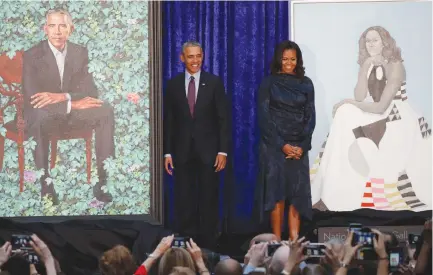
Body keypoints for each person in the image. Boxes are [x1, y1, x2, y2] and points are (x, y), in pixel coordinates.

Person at [310, 26, 432, 211]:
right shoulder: (369, 64)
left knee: (346, 111)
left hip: (397, 117)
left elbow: (382, 106)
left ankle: (337, 193)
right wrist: (366, 66)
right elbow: (360, 96)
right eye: (367, 41)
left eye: (375, 40)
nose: (371, 44)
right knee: (344, 114)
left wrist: (346, 101)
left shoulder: (395, 65)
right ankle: (332, 190)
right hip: (377, 113)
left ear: (385, 42)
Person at [22, 8, 115, 204]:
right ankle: (45, 185)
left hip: (70, 112)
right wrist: (72, 104)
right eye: (52, 26)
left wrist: (61, 97)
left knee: (105, 110)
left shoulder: (80, 52)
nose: (57, 31)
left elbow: (89, 90)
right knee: (38, 116)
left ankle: (103, 182)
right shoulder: (32, 55)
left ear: (70, 30)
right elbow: (33, 98)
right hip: (44, 115)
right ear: (44, 29)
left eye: (62, 26)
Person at [163, 41, 229, 249]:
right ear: (182, 58)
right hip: (182, 152)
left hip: (209, 153)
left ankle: (208, 246)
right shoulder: (173, 85)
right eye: (190, 56)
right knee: (185, 199)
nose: (195, 60)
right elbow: (169, 121)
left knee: (208, 199)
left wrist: (222, 151)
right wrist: (167, 153)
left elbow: (223, 120)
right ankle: (186, 245)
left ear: (203, 56)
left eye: (198, 56)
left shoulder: (214, 82)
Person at [256, 40, 316, 240]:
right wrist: (283, 145)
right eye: (285, 59)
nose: (289, 63)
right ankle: (276, 241)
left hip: (298, 146)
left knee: (297, 195)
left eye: (292, 59)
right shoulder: (269, 83)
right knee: (277, 194)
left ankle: (294, 240)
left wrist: (302, 146)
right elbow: (264, 117)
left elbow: (310, 116)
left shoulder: (306, 83)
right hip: (275, 147)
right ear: (278, 60)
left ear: (298, 60)